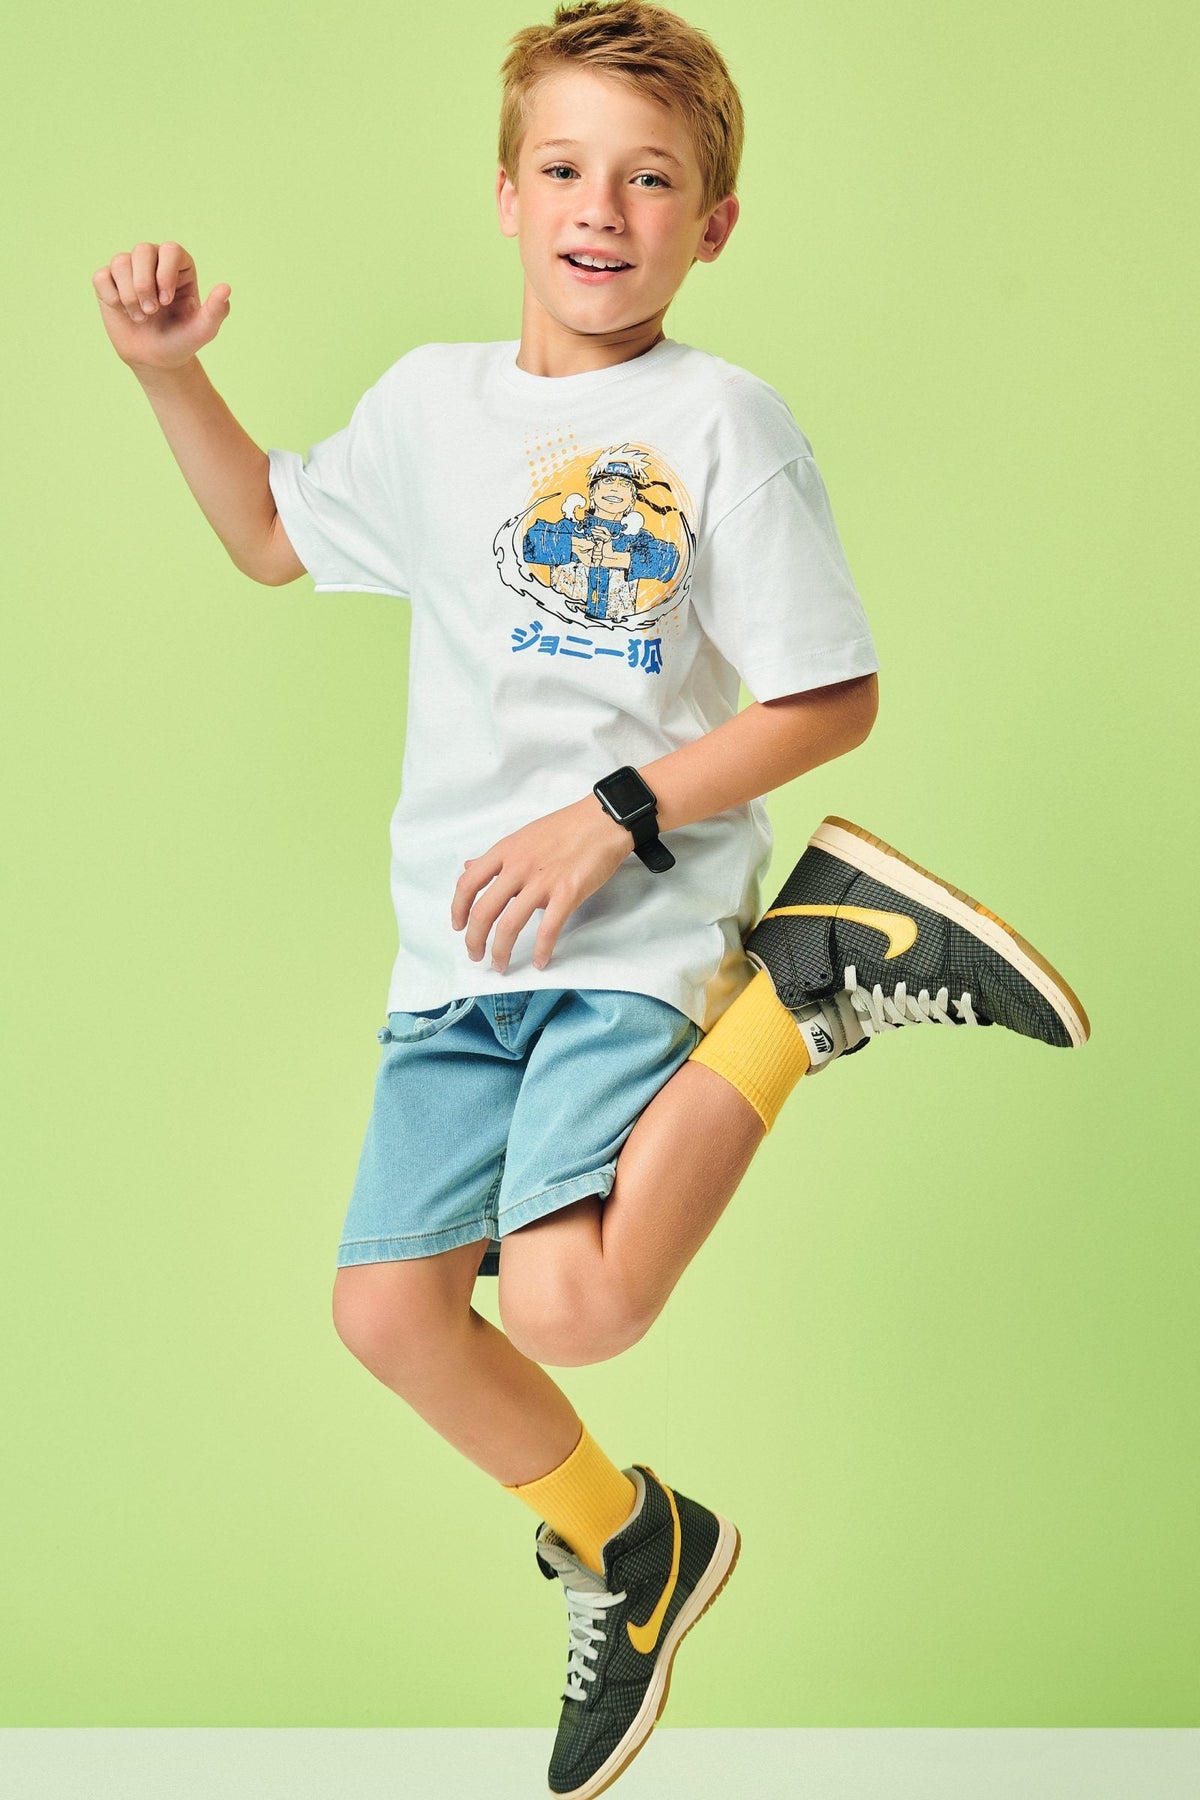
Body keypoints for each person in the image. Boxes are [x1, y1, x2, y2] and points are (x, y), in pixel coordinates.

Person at [91, 3, 1089, 1794]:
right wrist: (167, 372)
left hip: (631, 929)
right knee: (388, 1316)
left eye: (651, 179)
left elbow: (830, 698)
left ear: (714, 223)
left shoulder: (720, 422)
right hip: (455, 953)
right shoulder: (431, 406)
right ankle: (637, 1546)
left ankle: (804, 983)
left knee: (570, 1308)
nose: (600, 208)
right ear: (505, 193)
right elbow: (270, 536)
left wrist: (614, 815)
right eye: (564, 167)